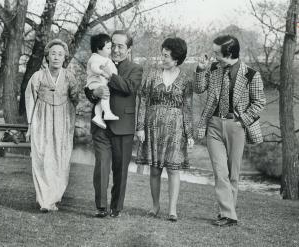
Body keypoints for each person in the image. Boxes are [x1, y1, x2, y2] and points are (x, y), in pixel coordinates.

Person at [194, 35, 266, 226]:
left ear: (229, 53)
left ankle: (228, 213)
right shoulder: (214, 69)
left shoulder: (251, 74)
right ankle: (228, 214)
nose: (213, 55)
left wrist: (242, 121)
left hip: (237, 126)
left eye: (216, 52)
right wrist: (201, 69)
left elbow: (259, 103)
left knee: (233, 173)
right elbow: (199, 88)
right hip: (214, 126)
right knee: (220, 171)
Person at [84, 30, 143, 218]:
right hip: (100, 125)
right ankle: (101, 206)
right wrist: (95, 94)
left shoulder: (135, 69)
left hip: (123, 126)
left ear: (129, 49)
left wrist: (111, 75)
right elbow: (88, 88)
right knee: (101, 166)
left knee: (120, 170)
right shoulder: (97, 61)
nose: (116, 50)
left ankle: (116, 208)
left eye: (121, 46)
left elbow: (129, 88)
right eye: (113, 45)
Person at [135, 37, 194, 222]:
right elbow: (143, 100)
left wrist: (189, 133)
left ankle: (172, 210)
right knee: (154, 169)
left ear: (176, 57)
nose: (163, 57)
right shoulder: (152, 75)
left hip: (176, 129)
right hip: (153, 126)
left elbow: (187, 107)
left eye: (166, 55)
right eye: (163, 53)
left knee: (173, 169)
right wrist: (140, 127)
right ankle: (155, 206)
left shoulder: (185, 79)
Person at [25, 39, 80, 213]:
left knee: (60, 159)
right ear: (47, 56)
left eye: (60, 54)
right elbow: (30, 99)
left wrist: (70, 118)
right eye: (53, 54)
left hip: (62, 121)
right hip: (42, 119)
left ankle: (54, 197)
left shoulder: (70, 77)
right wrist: (30, 124)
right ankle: (44, 201)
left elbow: (75, 98)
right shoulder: (38, 76)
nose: (56, 57)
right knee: (42, 158)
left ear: (65, 58)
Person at [86, 33, 119, 129]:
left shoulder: (104, 58)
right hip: (95, 83)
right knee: (105, 94)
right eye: (108, 48)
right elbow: (94, 68)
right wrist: (102, 73)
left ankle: (98, 117)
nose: (110, 50)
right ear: (98, 49)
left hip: (99, 83)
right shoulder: (95, 57)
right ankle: (107, 113)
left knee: (100, 102)